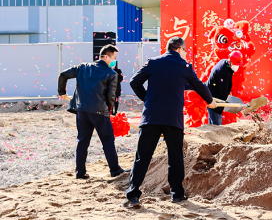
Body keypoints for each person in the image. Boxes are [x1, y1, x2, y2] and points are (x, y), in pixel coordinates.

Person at [126, 37, 218, 208]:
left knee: (142, 157)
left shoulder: (153, 62)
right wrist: (210, 101)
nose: (185, 54)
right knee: (175, 157)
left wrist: (146, 99)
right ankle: (177, 195)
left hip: (151, 117)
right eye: (185, 50)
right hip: (172, 119)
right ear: (179, 49)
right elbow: (199, 86)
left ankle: (133, 195)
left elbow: (134, 81)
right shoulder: (185, 67)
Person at [57, 44, 128, 179]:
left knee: (82, 141)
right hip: (100, 112)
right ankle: (115, 169)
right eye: (114, 58)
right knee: (107, 140)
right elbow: (110, 97)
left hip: (82, 111)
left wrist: (61, 92)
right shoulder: (111, 73)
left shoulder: (83, 67)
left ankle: (80, 172)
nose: (114, 61)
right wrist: (109, 112)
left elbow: (63, 75)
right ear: (106, 57)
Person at [206, 50, 242, 125]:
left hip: (210, 93)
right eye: (235, 64)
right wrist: (228, 102)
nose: (237, 67)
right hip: (214, 97)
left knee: (212, 122)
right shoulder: (224, 73)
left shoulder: (224, 62)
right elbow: (223, 92)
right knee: (217, 123)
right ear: (230, 62)